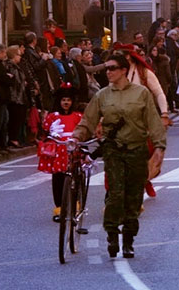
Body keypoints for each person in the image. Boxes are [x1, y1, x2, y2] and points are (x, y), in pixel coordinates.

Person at [72, 53, 166, 259]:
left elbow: (153, 120)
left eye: (112, 68)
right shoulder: (102, 95)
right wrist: (76, 137)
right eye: (106, 69)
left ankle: (129, 241)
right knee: (115, 194)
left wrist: (159, 147)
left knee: (133, 197)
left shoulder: (141, 93)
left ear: (123, 70)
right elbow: (88, 120)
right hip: (114, 150)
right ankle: (112, 234)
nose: (108, 72)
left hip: (137, 149)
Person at [38, 85, 83, 222]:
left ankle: (75, 206)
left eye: (68, 100)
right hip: (59, 152)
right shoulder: (52, 117)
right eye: (63, 100)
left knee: (76, 177)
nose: (66, 103)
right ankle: (59, 208)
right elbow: (44, 133)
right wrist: (51, 133)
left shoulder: (78, 116)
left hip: (73, 150)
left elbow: (83, 131)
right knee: (58, 179)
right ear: (59, 101)